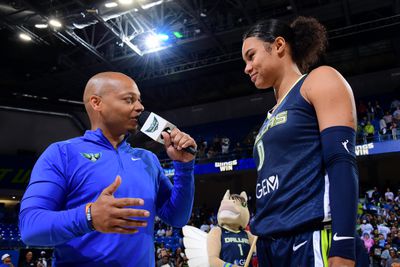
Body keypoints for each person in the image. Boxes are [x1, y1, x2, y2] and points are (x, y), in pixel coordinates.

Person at [19, 72, 197, 266]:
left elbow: (177, 217)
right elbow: (30, 227)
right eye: (129, 100)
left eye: (139, 100)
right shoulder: (62, 153)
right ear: (97, 103)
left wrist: (184, 166)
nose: (140, 107)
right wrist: (89, 217)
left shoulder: (148, 159)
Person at [242, 16, 363, 266]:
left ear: (278, 45)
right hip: (269, 244)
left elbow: (340, 161)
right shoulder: (269, 116)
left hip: (309, 237)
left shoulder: (318, 80)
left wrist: (344, 244)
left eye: (251, 56)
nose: (247, 67)